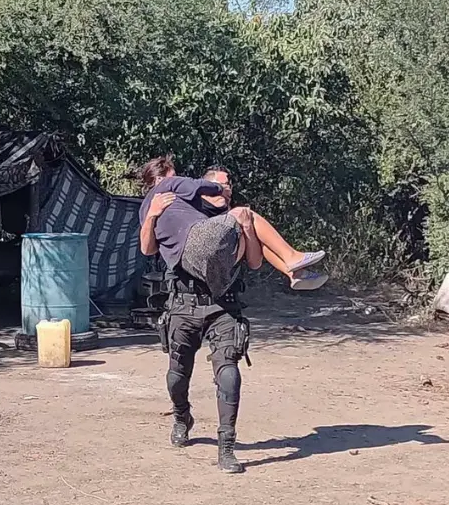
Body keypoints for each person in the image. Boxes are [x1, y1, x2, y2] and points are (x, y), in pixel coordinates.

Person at [136, 155, 326, 473]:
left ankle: (227, 447)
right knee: (176, 376)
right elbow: (147, 249)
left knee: (227, 371)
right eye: (219, 184)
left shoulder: (226, 221)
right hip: (183, 304)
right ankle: (181, 416)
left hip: (222, 305)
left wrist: (249, 229)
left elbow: (253, 261)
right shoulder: (177, 206)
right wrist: (153, 215)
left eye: (228, 185)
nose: (224, 189)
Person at [199, 166, 329, 291]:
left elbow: (255, 263)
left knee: (247, 218)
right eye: (222, 185)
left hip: (223, 262)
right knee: (243, 212)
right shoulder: (195, 209)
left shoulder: (230, 214)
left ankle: (294, 273)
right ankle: (291, 257)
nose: (227, 189)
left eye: (229, 185)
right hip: (205, 257)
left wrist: (247, 227)